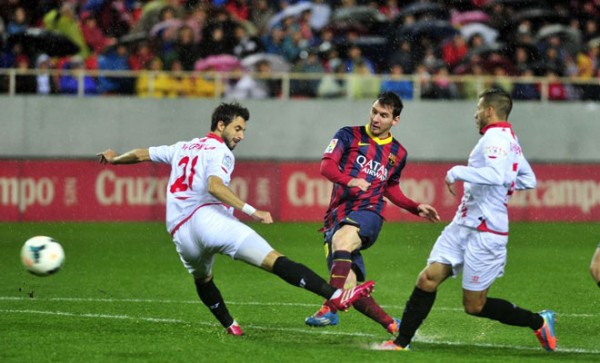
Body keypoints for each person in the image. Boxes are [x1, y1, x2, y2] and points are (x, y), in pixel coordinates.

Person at [97, 101, 375, 336]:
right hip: (209, 220)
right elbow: (214, 186)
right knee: (274, 260)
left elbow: (142, 154)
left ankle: (230, 325)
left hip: (180, 232)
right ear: (220, 125)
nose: (241, 136)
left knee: (203, 279)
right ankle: (337, 296)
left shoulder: (183, 147)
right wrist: (254, 211)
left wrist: (114, 160)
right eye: (238, 128)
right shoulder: (220, 151)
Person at [372, 88, 556, 351]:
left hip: (486, 231)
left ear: (490, 111)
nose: (475, 114)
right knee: (428, 279)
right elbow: (527, 179)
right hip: (463, 224)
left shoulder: (497, 138)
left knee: (474, 306)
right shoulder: (510, 139)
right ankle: (401, 343)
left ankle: (539, 321)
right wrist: (500, 181)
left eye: (479, 109)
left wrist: (458, 171)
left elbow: (498, 175)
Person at [305, 92, 440, 335]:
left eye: (384, 115)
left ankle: (329, 309)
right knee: (348, 286)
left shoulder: (398, 153)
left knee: (342, 241)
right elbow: (326, 166)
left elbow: (390, 187)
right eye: (374, 111)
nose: (376, 118)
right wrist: (350, 180)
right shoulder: (348, 135)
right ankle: (393, 324)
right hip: (336, 217)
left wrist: (413, 206)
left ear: (395, 120)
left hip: (369, 212)